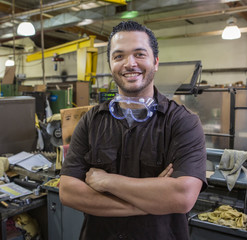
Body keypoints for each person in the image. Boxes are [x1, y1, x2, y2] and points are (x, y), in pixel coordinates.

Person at [59, 20, 207, 240]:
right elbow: (68, 191)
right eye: (119, 56)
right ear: (110, 64)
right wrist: (152, 202)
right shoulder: (92, 121)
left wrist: (108, 181)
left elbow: (182, 196)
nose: (130, 63)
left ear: (155, 62)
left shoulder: (183, 122)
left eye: (139, 54)